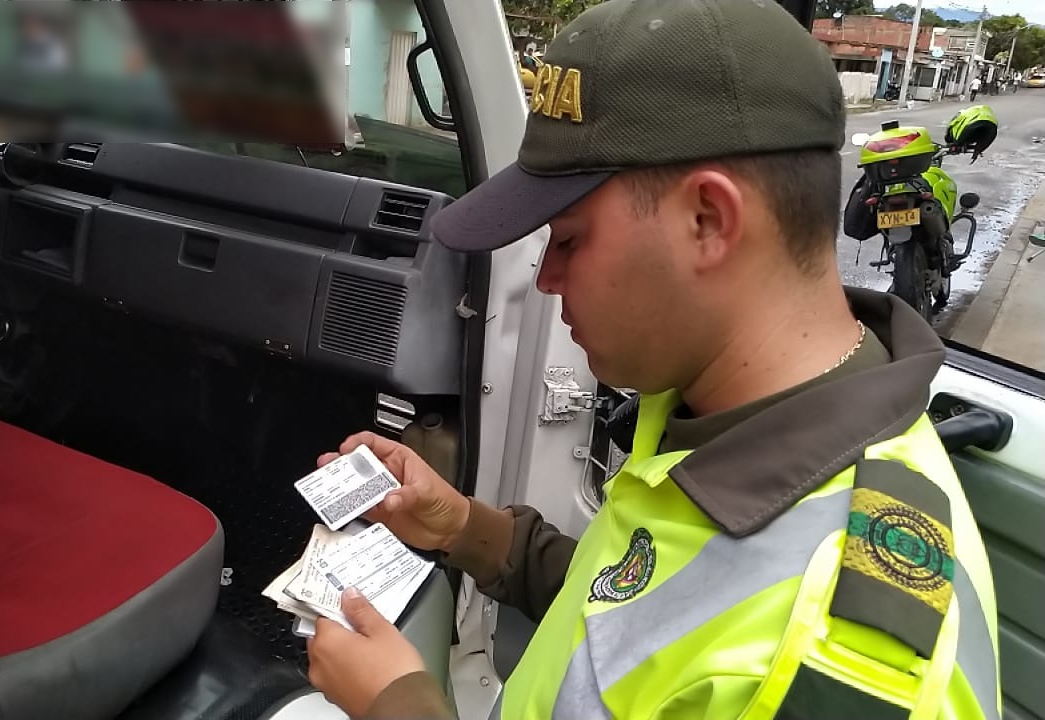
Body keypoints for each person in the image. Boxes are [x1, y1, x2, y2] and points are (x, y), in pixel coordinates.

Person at [305, 1, 1001, 718]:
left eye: (569, 240)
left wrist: (399, 704)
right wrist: (464, 529)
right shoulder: (707, 407)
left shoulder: (829, 660)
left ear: (709, 221)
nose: (546, 279)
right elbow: (635, 609)